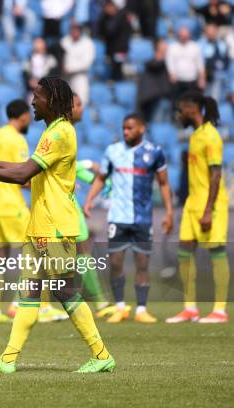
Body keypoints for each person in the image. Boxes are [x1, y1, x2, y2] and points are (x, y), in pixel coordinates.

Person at [0, 76, 115, 374]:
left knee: (65, 292)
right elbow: (27, 169)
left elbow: (22, 175)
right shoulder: (53, 131)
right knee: (29, 292)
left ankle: (101, 354)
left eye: (37, 96)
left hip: (54, 225)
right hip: (40, 224)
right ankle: (8, 359)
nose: (32, 102)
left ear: (51, 100)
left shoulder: (60, 133)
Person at [0, 99, 68, 324]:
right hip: (11, 205)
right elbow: (22, 175)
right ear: (24, 116)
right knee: (37, 253)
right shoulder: (16, 139)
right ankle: (41, 306)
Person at [84, 113, 173, 323]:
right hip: (118, 217)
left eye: (130, 128)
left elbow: (164, 183)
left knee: (142, 262)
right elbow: (101, 178)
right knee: (115, 263)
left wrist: (169, 211)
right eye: (124, 128)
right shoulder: (113, 151)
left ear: (142, 129)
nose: (126, 132)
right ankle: (120, 307)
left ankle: (141, 309)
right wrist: (89, 200)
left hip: (143, 218)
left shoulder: (154, 153)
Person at [166, 91, 229, 324]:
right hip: (192, 203)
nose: (178, 114)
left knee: (216, 252)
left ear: (192, 108)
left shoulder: (211, 136)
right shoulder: (195, 136)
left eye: (180, 109)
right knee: (184, 252)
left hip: (210, 205)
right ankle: (190, 308)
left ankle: (220, 310)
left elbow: (216, 175)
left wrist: (207, 210)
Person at [70, 94, 110, 315]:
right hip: (60, 207)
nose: (82, 108)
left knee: (77, 253)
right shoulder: (63, 132)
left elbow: (72, 168)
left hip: (69, 206)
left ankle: (99, 301)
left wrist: (95, 184)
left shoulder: (69, 133)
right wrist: (88, 165)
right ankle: (99, 301)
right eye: (77, 104)